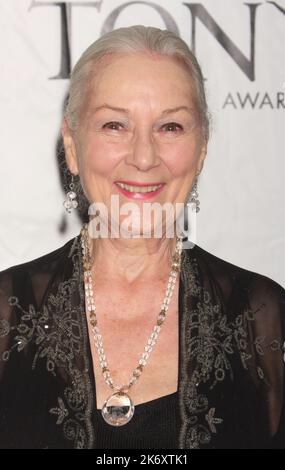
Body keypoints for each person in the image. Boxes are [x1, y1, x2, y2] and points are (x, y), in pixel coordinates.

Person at [0, 25, 284, 450]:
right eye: (115, 125)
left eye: (170, 127)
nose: (144, 157)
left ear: (201, 147)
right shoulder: (6, 314)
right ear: (73, 146)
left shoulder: (263, 318)